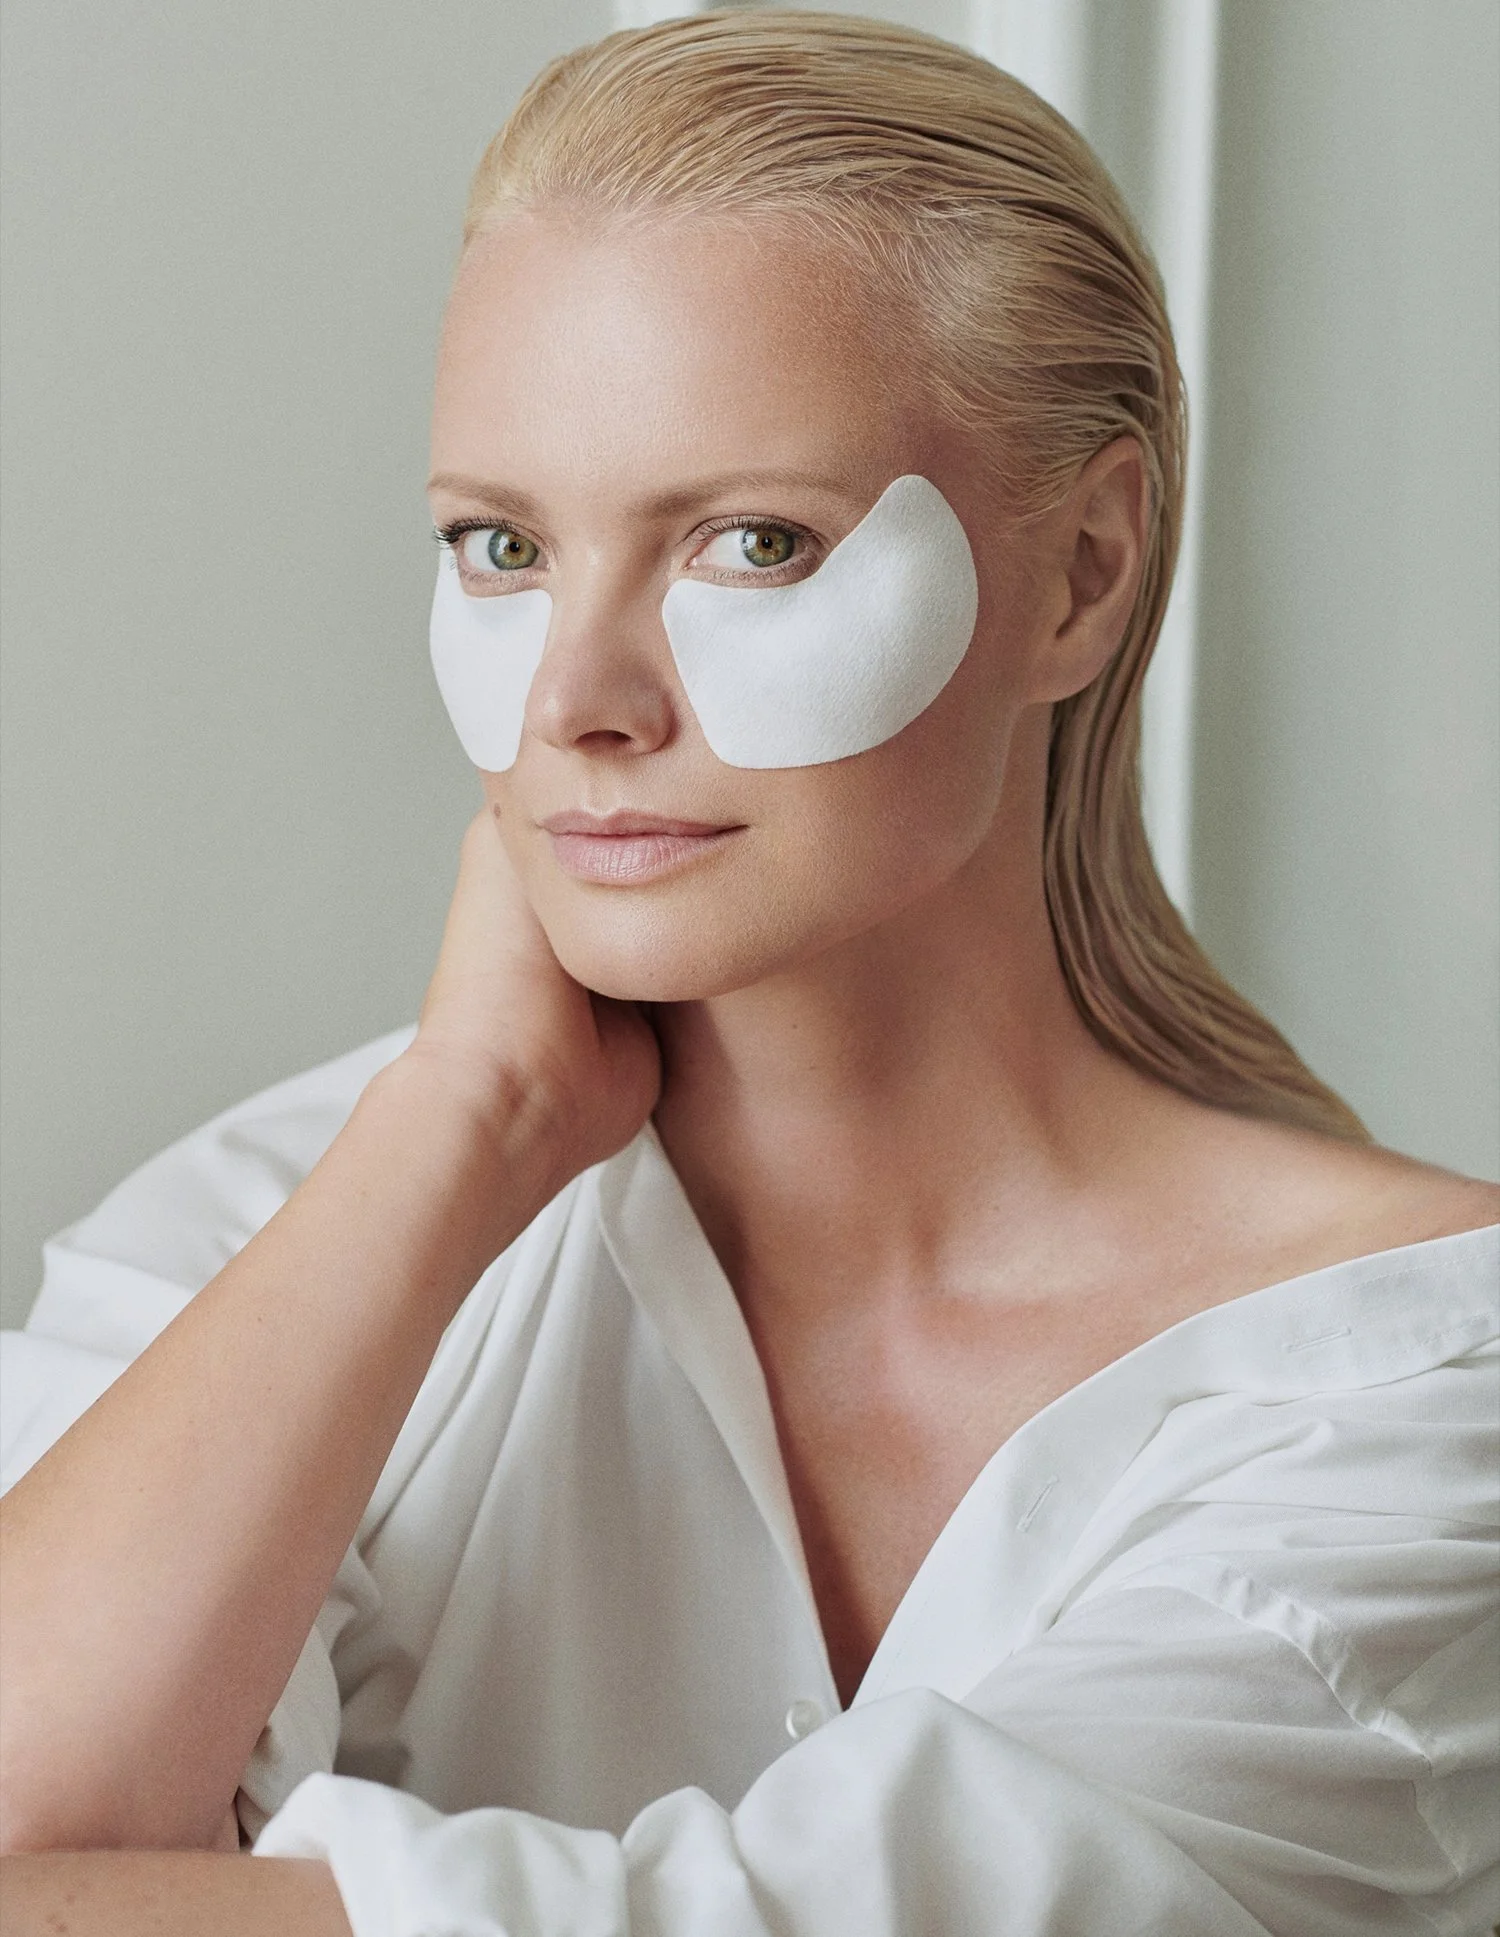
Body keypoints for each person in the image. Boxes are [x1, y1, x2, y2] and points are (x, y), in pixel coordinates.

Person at [1, 14, 1495, 1936]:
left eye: (752, 543)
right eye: (502, 547)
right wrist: (468, 1117)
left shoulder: (1426, 1386)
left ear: (1084, 570)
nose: (576, 701)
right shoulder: (257, 1235)